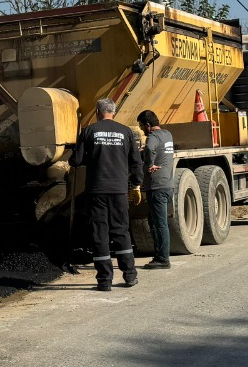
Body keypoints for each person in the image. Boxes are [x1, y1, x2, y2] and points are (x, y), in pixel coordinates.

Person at [72, 98, 143, 291]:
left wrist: (80, 154)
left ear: (97, 111)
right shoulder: (126, 132)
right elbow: (136, 162)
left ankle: (104, 281)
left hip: (96, 191)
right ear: (114, 112)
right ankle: (129, 275)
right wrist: (136, 184)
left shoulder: (89, 131)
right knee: (121, 231)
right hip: (119, 190)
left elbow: (76, 161)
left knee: (99, 233)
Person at [137, 109, 176, 269]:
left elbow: (150, 149)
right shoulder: (167, 134)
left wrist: (148, 165)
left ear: (147, 125)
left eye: (141, 126)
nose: (141, 130)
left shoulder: (152, 137)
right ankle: (159, 255)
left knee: (160, 224)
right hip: (167, 184)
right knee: (155, 222)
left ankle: (163, 259)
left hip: (157, 186)